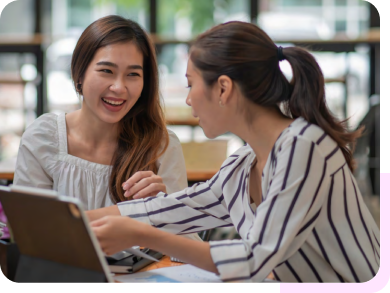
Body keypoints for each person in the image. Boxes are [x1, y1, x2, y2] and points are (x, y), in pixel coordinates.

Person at [87, 21, 380, 283]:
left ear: (223, 89)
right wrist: (76, 219)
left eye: (191, 85)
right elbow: (167, 210)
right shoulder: (243, 164)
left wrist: (141, 235)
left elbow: (253, 259)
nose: (188, 100)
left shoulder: (305, 147)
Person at [13, 15, 200, 241]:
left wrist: (162, 210)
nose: (119, 87)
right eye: (106, 71)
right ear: (79, 74)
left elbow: (184, 242)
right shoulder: (43, 138)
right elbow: (28, 233)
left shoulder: (161, 146)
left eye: (133, 74)